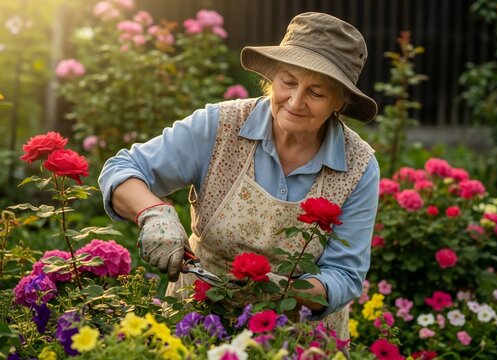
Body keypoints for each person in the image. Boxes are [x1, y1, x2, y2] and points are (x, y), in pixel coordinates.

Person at [99, 12, 379, 338]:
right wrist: (153, 213)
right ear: (272, 77)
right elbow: (122, 168)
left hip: (297, 338)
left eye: (316, 93)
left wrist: (280, 291)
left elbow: (344, 274)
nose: (296, 101)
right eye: (288, 81)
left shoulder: (358, 165)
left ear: (339, 101)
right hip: (200, 319)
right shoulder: (219, 127)